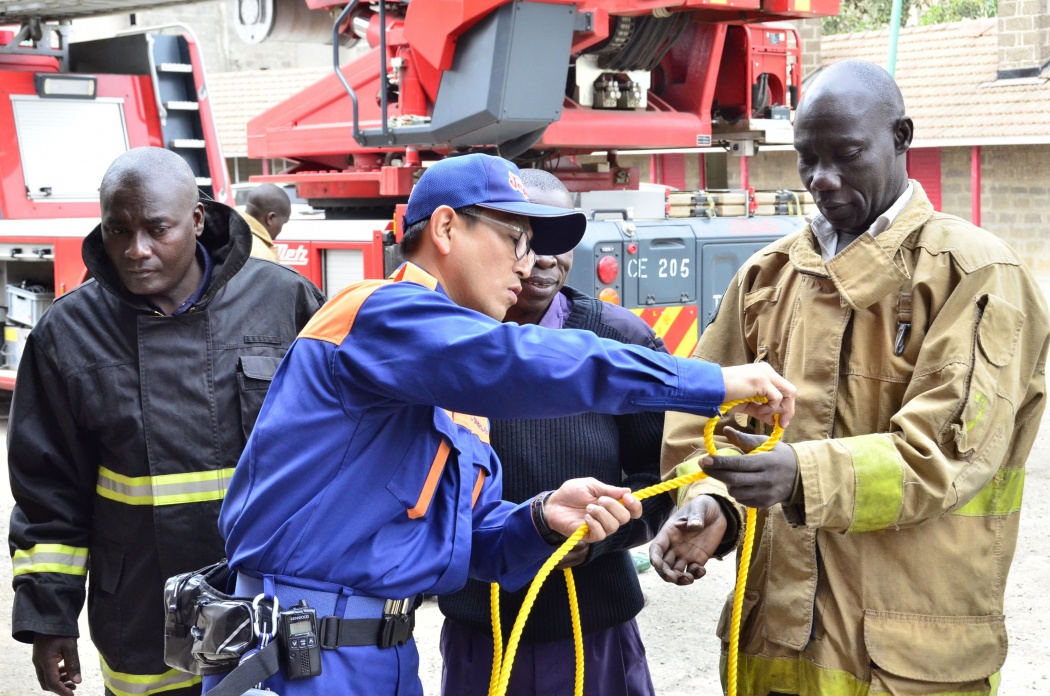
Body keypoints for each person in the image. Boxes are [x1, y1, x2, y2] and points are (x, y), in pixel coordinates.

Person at [210, 152, 796, 696]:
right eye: (516, 238)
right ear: (445, 230)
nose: (529, 263)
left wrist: (540, 520)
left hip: (378, 652)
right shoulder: (376, 315)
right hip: (298, 653)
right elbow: (524, 360)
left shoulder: (455, 387)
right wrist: (712, 383)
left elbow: (469, 538)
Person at [652, 59, 1050, 696]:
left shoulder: (974, 276)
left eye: (848, 154)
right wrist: (711, 504)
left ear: (902, 138)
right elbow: (704, 421)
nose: (822, 179)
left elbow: (946, 453)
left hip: (909, 662)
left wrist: (798, 474)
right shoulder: (766, 277)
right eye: (807, 158)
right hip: (772, 647)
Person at [7, 147, 326, 696]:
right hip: (142, 620)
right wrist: (48, 617)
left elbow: (342, 452)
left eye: (158, 229)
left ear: (197, 219)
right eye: (118, 231)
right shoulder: (66, 336)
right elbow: (49, 494)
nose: (137, 250)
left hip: (272, 607)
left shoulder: (285, 302)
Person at [438, 168, 669, 696]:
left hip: (594, 629)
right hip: (484, 632)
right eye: (525, 238)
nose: (544, 257)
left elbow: (660, 477)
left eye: (560, 239)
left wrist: (606, 534)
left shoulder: (620, 341)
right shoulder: (442, 347)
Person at [241, 183, 291, 262]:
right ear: (270, 218)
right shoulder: (263, 257)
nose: (280, 230)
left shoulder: (228, 231)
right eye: (283, 223)